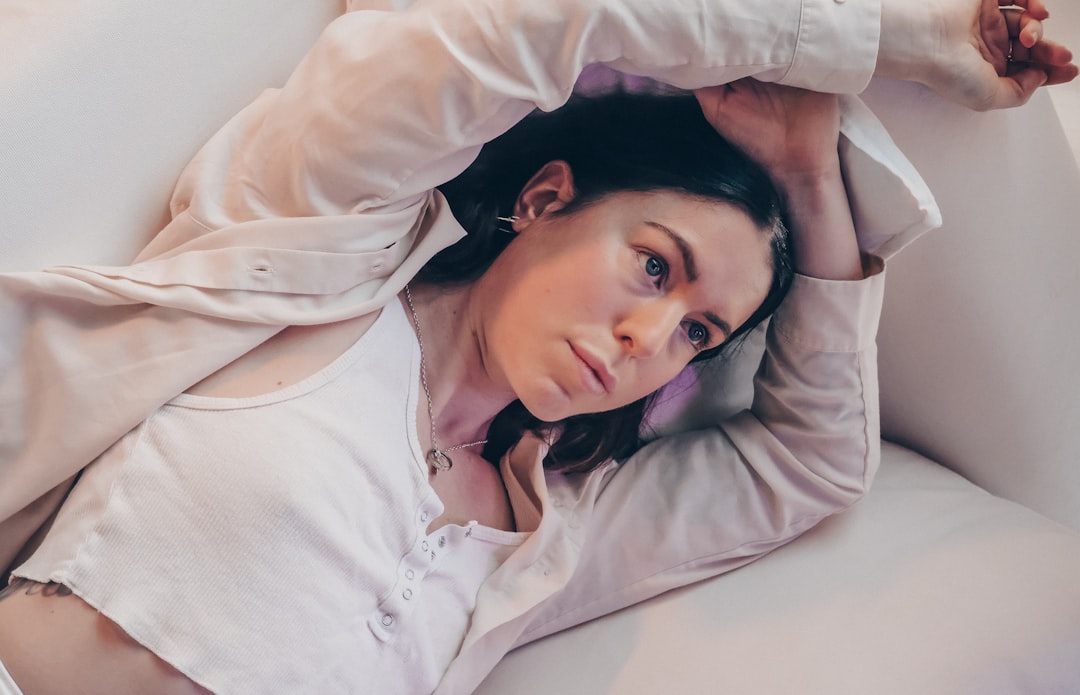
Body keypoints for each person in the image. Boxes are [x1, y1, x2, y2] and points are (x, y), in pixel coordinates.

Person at [0, 0, 1074, 693]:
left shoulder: (555, 532)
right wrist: (883, 42)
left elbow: (816, 460)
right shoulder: (316, 258)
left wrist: (808, 187)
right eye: (656, 265)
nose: (652, 339)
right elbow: (511, 29)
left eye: (701, 332)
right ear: (544, 196)